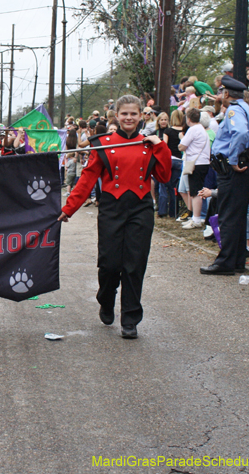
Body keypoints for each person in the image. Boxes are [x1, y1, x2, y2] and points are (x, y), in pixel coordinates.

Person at [59, 95, 171, 339]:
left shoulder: (149, 143)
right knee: (110, 263)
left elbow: (163, 177)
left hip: (140, 207)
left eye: (134, 113)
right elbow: (87, 179)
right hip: (112, 207)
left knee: (134, 264)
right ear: (116, 116)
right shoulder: (103, 143)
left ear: (142, 115)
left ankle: (130, 318)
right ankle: (106, 299)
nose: (129, 118)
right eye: (124, 114)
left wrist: (160, 146)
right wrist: (69, 208)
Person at [200, 76, 249, 276]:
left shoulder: (234, 110)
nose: (219, 95)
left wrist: (235, 159)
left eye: (221, 92)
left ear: (227, 94)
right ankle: (237, 259)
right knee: (237, 213)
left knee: (228, 214)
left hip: (235, 168)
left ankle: (225, 262)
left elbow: (240, 133)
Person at [178, 108, 211, 229]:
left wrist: (181, 137)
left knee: (195, 192)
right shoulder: (202, 129)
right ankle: (196, 217)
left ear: (188, 118)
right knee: (195, 190)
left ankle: (196, 219)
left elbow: (182, 146)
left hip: (196, 163)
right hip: (202, 162)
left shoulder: (193, 129)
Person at [159, 109, 184, 219]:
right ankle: (173, 212)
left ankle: (162, 210)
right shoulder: (184, 131)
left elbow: (164, 146)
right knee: (174, 187)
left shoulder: (168, 131)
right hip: (180, 160)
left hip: (169, 159)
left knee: (164, 185)